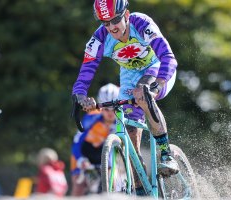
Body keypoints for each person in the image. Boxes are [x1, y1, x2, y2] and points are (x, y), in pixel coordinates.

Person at [72, 0, 179, 195]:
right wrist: (79, 95)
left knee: (142, 94)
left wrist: (159, 82)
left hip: (156, 67)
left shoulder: (142, 24)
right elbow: (87, 69)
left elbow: (168, 57)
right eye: (106, 23)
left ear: (127, 15)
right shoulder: (100, 37)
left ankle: (166, 153)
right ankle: (139, 187)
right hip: (129, 75)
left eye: (115, 20)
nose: (111, 27)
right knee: (128, 128)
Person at [70, 83, 119, 196]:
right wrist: (80, 160)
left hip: (103, 156)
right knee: (79, 187)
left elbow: (113, 150)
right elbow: (77, 142)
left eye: (114, 109)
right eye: (106, 109)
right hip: (84, 154)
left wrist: (110, 166)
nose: (110, 113)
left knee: (112, 184)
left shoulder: (120, 123)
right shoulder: (92, 118)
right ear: (100, 107)